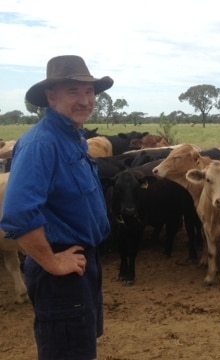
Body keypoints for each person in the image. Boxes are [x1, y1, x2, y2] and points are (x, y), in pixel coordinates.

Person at [0, 55, 113, 360]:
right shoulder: (42, 144)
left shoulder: (72, 137)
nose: (85, 100)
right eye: (74, 92)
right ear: (51, 97)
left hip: (82, 263)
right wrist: (51, 261)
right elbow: (18, 213)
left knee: (80, 347)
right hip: (60, 271)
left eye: (89, 92)